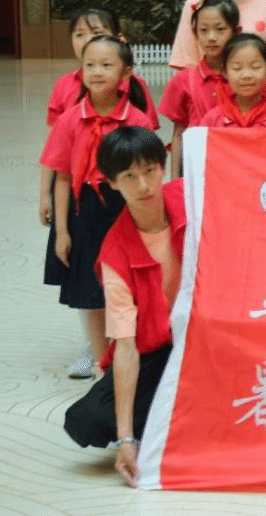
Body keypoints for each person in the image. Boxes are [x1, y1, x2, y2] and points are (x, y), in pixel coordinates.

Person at [62, 126, 184, 488]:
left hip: (207, 333)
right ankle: (168, 417)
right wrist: (126, 439)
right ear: (112, 183)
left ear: (163, 167)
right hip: (159, 348)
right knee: (86, 419)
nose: (143, 185)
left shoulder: (189, 197)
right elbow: (127, 347)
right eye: (129, 176)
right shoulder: (115, 255)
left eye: (150, 170)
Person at [39, 35, 156, 379]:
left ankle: (130, 357)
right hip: (83, 210)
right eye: (89, 65)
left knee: (128, 286)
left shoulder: (138, 120)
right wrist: (62, 231)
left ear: (126, 73)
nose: (96, 71)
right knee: (89, 291)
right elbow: (62, 177)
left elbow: (149, 177)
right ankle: (101, 363)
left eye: (106, 65)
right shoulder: (70, 119)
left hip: (126, 207)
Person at [158, 0, 239, 177]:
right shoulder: (183, 80)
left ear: (236, 31)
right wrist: (175, 181)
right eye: (204, 30)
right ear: (195, 33)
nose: (211, 37)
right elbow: (178, 134)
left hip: (236, 165)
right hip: (196, 168)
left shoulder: (245, 79)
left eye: (220, 29)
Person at [199, 34, 266, 129]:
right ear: (225, 72)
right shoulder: (212, 120)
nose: (246, 75)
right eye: (237, 68)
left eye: (255, 67)